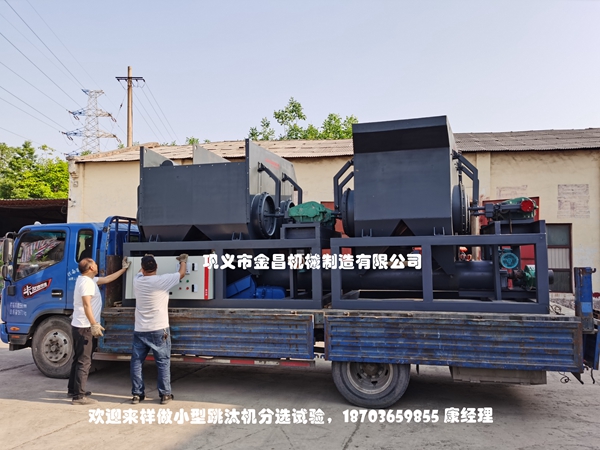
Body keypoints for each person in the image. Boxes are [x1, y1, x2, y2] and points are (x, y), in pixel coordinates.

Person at [69, 257, 130, 405]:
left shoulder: (88, 280)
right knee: (84, 362)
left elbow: (107, 279)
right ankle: (79, 397)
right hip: (84, 327)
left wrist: (124, 269)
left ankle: (73, 389)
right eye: (95, 264)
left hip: (80, 326)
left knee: (78, 359)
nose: (97, 265)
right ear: (91, 268)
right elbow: (86, 305)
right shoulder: (86, 283)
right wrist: (94, 324)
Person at [130, 253, 187, 405]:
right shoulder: (162, 280)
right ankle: (165, 394)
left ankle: (137, 394)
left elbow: (139, 272)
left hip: (140, 329)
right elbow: (181, 274)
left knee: (136, 362)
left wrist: (146, 258)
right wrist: (183, 261)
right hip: (159, 329)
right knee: (162, 362)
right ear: (157, 267)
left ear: (142, 268)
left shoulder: (137, 281)